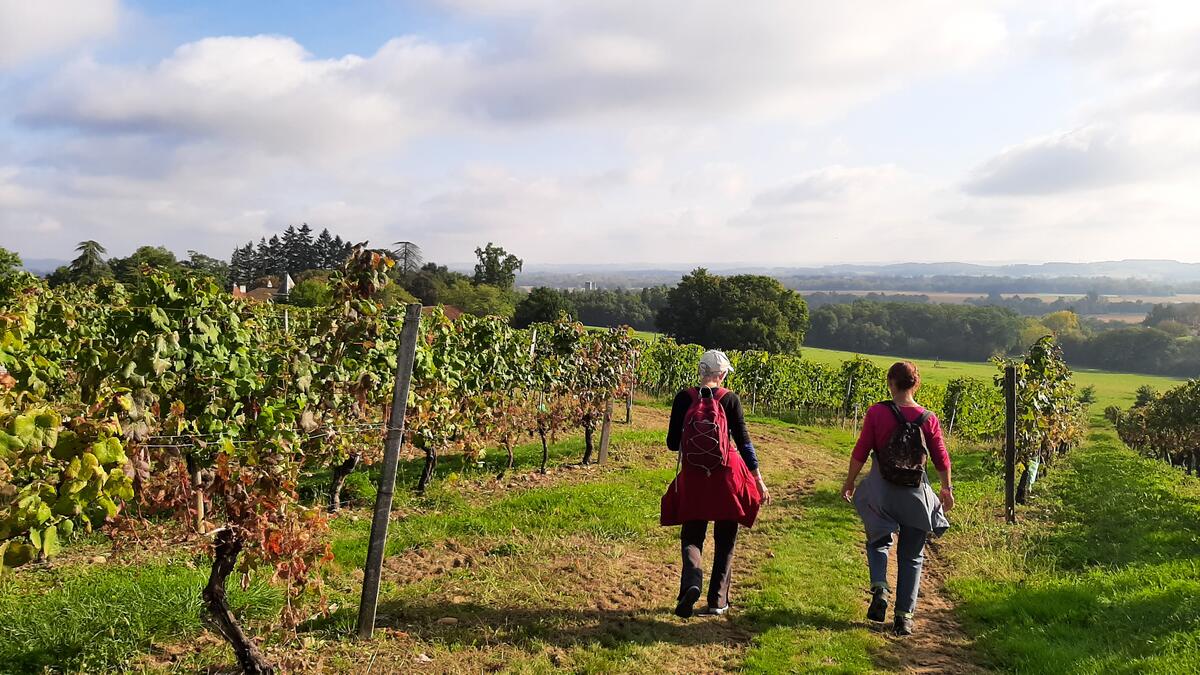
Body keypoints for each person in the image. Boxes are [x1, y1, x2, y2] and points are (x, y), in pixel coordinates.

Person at [841, 361, 953, 636]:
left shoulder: (877, 412)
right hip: (915, 495)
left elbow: (861, 450)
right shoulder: (928, 418)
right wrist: (946, 489)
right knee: (912, 555)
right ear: (917, 384)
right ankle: (904, 617)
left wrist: (851, 481)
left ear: (890, 382)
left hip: (882, 491)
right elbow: (941, 458)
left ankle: (880, 587)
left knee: (878, 541)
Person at [661, 349, 770, 619]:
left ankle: (691, 583)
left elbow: (672, 443)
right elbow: (744, 442)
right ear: (721, 375)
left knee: (692, 535)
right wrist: (757, 479)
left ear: (701, 371)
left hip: (694, 476)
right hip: (727, 476)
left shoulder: (683, 398)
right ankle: (717, 601)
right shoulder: (729, 399)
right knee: (725, 539)